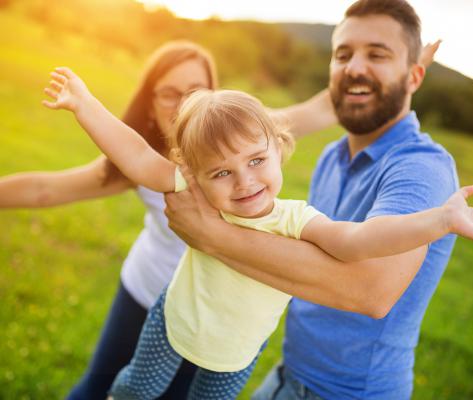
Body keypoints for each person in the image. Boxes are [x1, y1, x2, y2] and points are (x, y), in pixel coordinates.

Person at [42, 59, 473, 400]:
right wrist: (84, 105)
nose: (244, 182)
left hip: (236, 353)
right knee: (136, 392)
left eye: (256, 161)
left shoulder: (295, 219)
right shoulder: (197, 191)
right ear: (197, 174)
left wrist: (440, 220)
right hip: (174, 320)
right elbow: (138, 155)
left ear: (279, 150)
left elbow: (360, 241)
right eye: (221, 172)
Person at [159, 1, 473, 399]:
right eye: (343, 54)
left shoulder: (421, 168)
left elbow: (369, 290)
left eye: (377, 54)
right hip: (289, 374)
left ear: (414, 76)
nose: (354, 67)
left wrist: (212, 235)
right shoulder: (333, 156)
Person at [0, 41, 338, 399]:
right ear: (150, 101)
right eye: (169, 94)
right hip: (151, 294)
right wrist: (84, 105)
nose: (182, 104)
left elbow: (321, 108)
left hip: (223, 322)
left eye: (193, 91)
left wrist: (372, 63)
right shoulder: (164, 168)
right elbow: (47, 189)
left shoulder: (244, 131)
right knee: (107, 388)